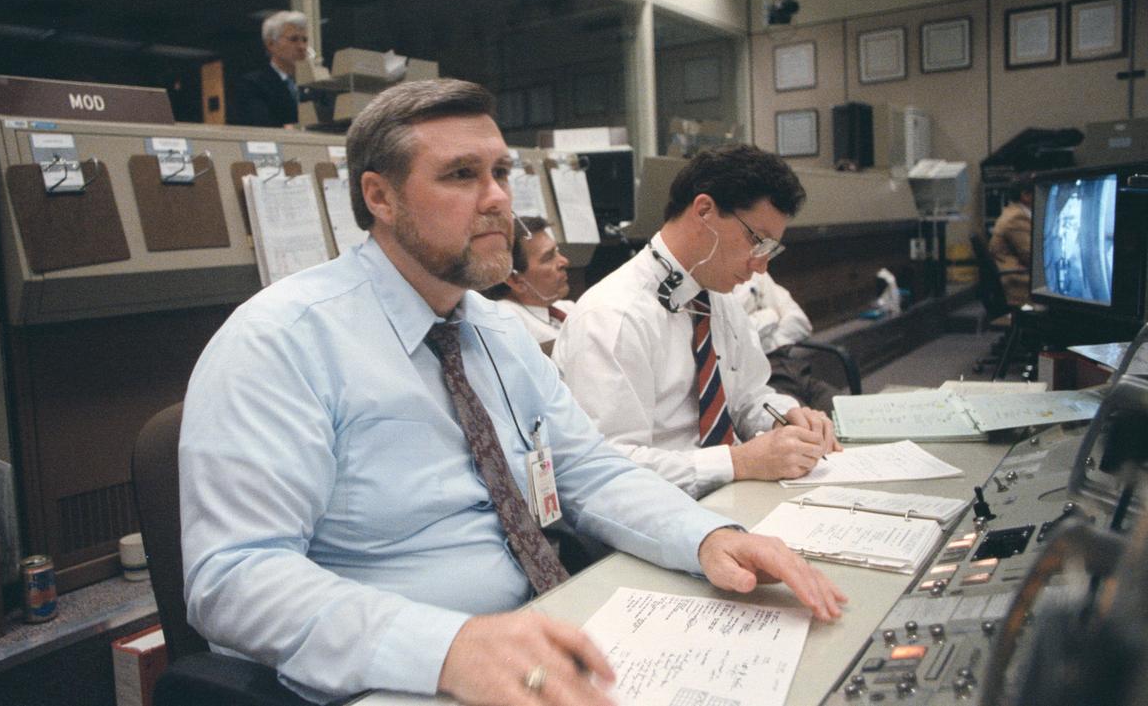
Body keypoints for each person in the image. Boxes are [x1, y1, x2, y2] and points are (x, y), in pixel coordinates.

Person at [180, 81, 845, 706]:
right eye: (461, 175)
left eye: (500, 172)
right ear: (379, 198)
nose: (499, 197)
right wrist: (447, 647)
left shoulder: (496, 331)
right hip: (398, 676)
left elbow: (588, 471)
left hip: (542, 636)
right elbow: (232, 578)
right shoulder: (281, 341)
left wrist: (706, 537)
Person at [552, 147, 841, 500]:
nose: (761, 266)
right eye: (757, 241)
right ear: (704, 210)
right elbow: (606, 467)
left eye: (771, 250)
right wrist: (738, 462)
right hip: (657, 511)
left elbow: (748, 397)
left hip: (728, 496)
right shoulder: (613, 315)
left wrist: (787, 416)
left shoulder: (718, 297)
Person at [739, 271, 839, 413]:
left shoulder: (755, 270)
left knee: (850, 416)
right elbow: (734, 339)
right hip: (758, 379)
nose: (761, 261)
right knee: (811, 429)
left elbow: (800, 322)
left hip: (793, 367)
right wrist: (771, 315)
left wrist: (760, 339)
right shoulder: (713, 283)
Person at [482, 215, 575, 347]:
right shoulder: (504, 322)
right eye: (548, 257)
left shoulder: (567, 307)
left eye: (557, 251)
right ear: (515, 280)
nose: (564, 261)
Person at [230, 10, 332, 128]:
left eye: (304, 40)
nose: (302, 47)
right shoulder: (252, 85)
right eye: (294, 39)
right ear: (271, 44)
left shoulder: (315, 87)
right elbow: (260, 125)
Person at [989, 179, 1032, 306]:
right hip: (1017, 280)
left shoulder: (1014, 212)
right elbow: (1031, 257)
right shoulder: (1017, 218)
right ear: (1025, 195)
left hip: (1017, 274)